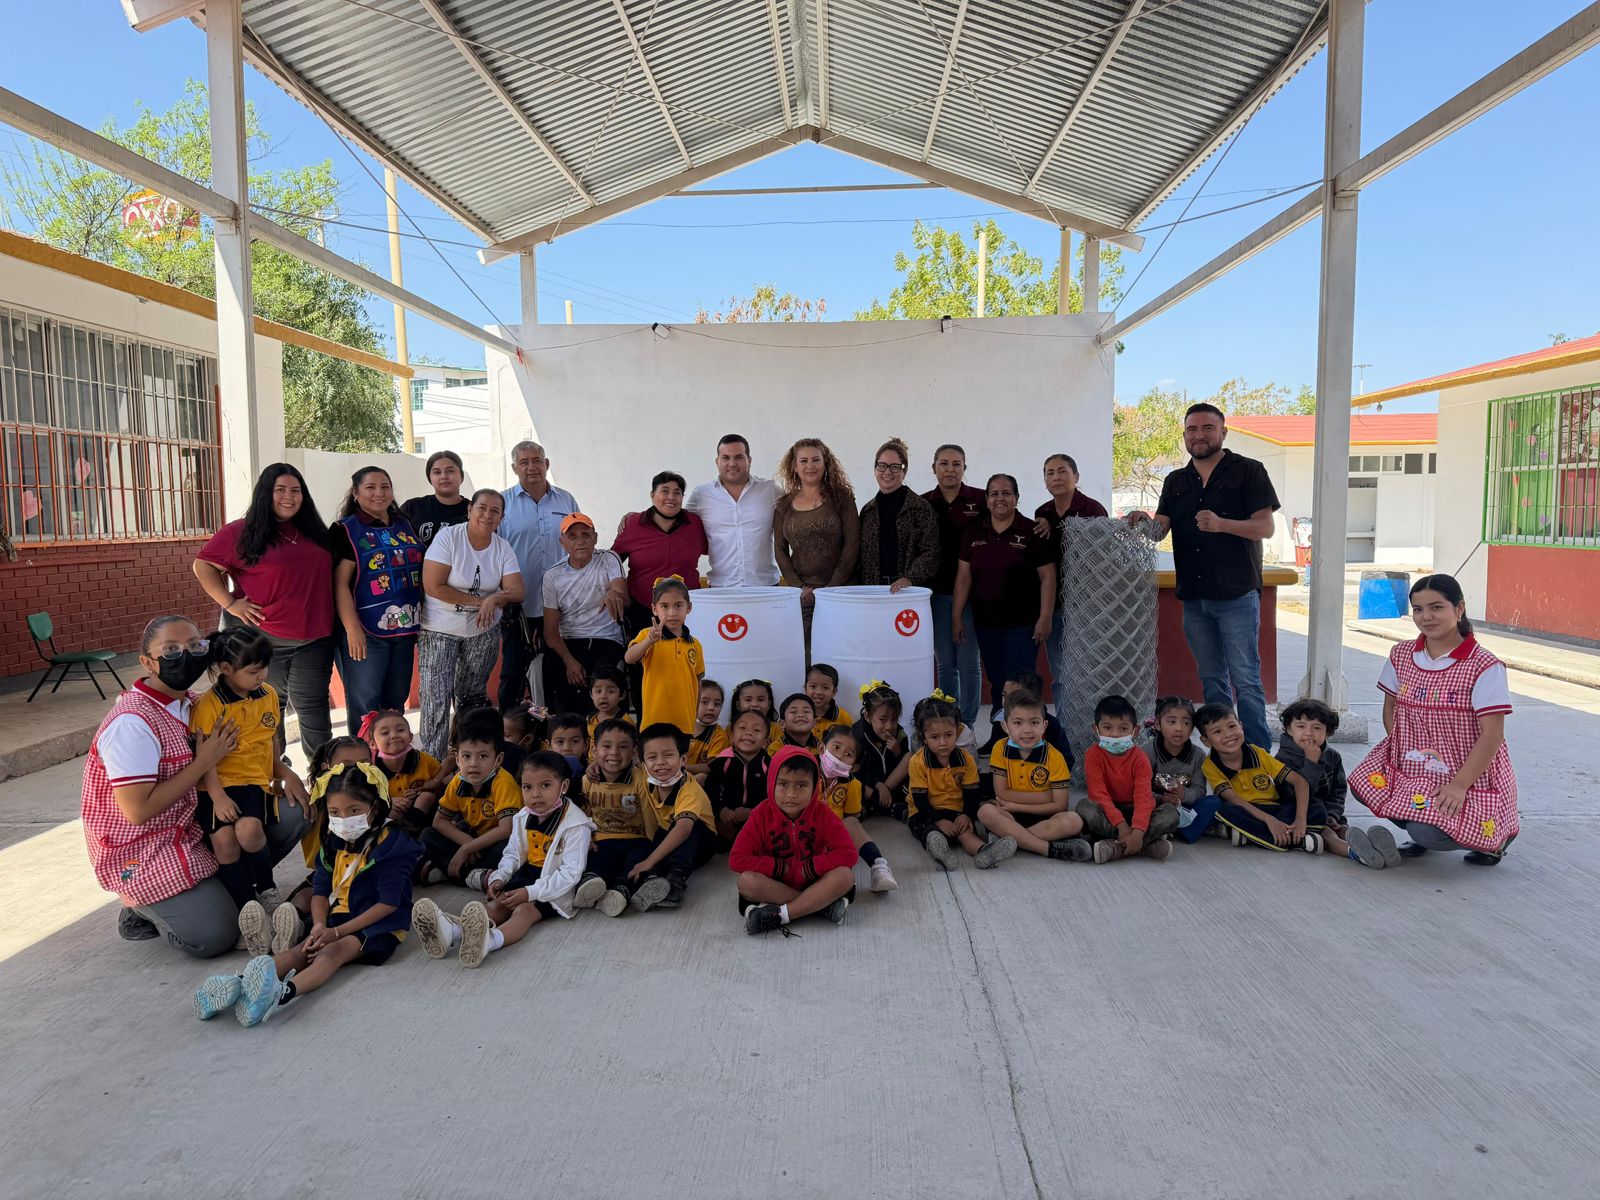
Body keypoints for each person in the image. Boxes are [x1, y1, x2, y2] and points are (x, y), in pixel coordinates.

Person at [83, 615, 309, 958]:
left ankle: (236, 890)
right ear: (147, 662)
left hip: (192, 825)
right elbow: (138, 811)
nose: (185, 655)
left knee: (291, 812)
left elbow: (257, 739)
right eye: (170, 650)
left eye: (195, 646)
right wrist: (205, 761)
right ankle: (142, 907)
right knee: (214, 935)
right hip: (146, 849)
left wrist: (283, 771)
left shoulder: (193, 702)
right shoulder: (132, 723)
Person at [195, 762, 420, 1026]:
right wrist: (320, 925)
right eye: (335, 812)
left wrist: (335, 933)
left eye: (355, 810)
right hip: (338, 918)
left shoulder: (393, 845)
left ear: (377, 807)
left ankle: (278, 995)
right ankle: (237, 984)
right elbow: (321, 891)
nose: (344, 820)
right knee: (302, 950)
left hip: (378, 925)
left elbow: (388, 904)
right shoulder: (333, 841)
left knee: (331, 953)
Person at [1125, 403, 1280, 750]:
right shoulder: (1176, 480)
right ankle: (1221, 748)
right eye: (1192, 429)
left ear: (1223, 433)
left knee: (1246, 679)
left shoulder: (1249, 471)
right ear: (1184, 436)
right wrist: (1142, 520)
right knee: (1211, 679)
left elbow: (1265, 527)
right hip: (1194, 597)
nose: (1199, 435)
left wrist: (1222, 524)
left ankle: (1257, 751)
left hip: (1237, 595)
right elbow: (1158, 531)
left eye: (1207, 428)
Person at [1351, 573, 1519, 865]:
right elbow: (1391, 707)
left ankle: (1494, 838)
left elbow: (1492, 736)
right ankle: (1423, 827)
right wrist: (1401, 754)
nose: (1426, 617)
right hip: (1417, 764)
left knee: (1429, 832)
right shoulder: (1401, 654)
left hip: (1466, 771)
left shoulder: (1484, 666)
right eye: (1418, 609)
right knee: (1366, 786)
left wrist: (1458, 786)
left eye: (1436, 607)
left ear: (1459, 609)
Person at [193, 462, 336, 754]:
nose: (289, 497)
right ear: (264, 494)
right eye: (280, 490)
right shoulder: (241, 532)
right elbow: (203, 565)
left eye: (296, 491)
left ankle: (323, 779)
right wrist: (230, 603)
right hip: (264, 640)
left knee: (314, 709)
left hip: (315, 638)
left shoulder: (313, 531)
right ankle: (276, 778)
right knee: (270, 709)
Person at [412, 752, 596, 967]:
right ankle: (452, 933)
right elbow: (513, 854)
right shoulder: (524, 816)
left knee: (523, 911)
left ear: (563, 786)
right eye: (527, 787)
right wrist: (499, 877)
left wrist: (530, 893)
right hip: (527, 875)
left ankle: (489, 941)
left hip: (555, 885)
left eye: (545, 786)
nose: (535, 794)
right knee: (498, 905)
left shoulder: (575, 825)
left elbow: (570, 873)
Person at [190, 628, 309, 913]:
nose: (262, 676)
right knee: (224, 842)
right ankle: (244, 904)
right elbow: (203, 757)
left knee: (250, 830)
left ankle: (266, 890)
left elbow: (271, 736)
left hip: (251, 783)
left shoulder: (267, 695)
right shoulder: (208, 705)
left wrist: (281, 769)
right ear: (226, 669)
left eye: (265, 668)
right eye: (254, 671)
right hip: (214, 785)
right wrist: (217, 796)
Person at [418, 488, 523, 759]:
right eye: (482, 508)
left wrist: (495, 598)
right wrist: (483, 601)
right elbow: (433, 585)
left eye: (495, 511)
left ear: (501, 518)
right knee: (435, 699)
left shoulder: (502, 547)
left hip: (482, 631)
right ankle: (433, 762)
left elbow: (517, 590)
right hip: (440, 629)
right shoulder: (449, 538)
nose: (487, 515)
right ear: (469, 510)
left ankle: (468, 759)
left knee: (472, 698)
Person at [331, 466, 424, 734]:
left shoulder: (405, 524)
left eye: (385, 486)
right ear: (356, 493)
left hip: (404, 629)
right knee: (365, 707)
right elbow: (340, 584)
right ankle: (363, 766)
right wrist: (352, 630)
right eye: (370, 487)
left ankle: (391, 762)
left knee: (395, 703)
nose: (379, 493)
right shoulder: (346, 530)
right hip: (365, 632)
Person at [732, 746, 858, 935]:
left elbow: (848, 853)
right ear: (772, 783)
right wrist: (778, 867)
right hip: (775, 882)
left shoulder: (822, 813)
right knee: (746, 882)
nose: (791, 794)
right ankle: (819, 907)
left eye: (801, 786)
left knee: (845, 876)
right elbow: (738, 858)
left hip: (814, 879)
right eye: (783, 784)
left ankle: (781, 915)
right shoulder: (761, 814)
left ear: (815, 786)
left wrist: (811, 867)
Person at [954, 474, 1056, 700]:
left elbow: (1048, 577)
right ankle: (1000, 729)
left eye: (1007, 493)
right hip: (986, 624)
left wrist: (1045, 617)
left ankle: (1023, 732)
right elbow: (963, 578)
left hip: (1023, 626)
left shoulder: (1033, 531)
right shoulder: (974, 532)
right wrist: (956, 617)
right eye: (994, 494)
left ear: (1017, 498)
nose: (1000, 498)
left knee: (1021, 683)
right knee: (997, 681)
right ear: (987, 500)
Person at [498, 440, 580, 709]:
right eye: (524, 462)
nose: (531, 467)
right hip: (520, 605)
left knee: (556, 668)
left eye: (536, 461)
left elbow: (579, 540)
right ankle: (510, 730)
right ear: (514, 468)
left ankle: (556, 730)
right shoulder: (502, 503)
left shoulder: (565, 499)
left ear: (546, 464)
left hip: (562, 603)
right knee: (513, 670)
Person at [1031, 453, 1109, 722]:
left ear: (1076, 477)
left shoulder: (1093, 510)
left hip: (1087, 606)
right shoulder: (1042, 513)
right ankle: (1066, 727)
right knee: (1061, 674)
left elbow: (1101, 558)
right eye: (1050, 472)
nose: (1056, 477)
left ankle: (1091, 727)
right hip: (1054, 605)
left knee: (1089, 671)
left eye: (1062, 471)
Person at [907, 695, 1017, 870]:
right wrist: (939, 821)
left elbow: (972, 793)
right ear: (923, 737)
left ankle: (984, 853)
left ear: (957, 731)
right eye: (935, 737)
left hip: (957, 810)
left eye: (949, 735)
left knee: (965, 831)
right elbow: (920, 800)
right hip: (925, 812)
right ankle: (941, 854)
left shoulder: (965, 759)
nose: (943, 742)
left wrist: (966, 814)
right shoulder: (918, 762)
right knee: (931, 832)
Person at [975, 690, 1087, 861]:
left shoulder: (1055, 757)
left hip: (1043, 817)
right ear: (1005, 726)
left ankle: (1008, 841)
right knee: (985, 812)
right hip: (1009, 815)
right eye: (1018, 723)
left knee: (1073, 820)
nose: (1027, 730)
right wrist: (1046, 796)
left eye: (1034, 722)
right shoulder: (999, 748)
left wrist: (1018, 805)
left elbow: (1060, 806)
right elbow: (1001, 794)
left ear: (1044, 725)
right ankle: (1046, 848)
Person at [415, 707, 519, 887]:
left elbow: (506, 829)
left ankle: (452, 871)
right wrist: (466, 842)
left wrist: (467, 848)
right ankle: (473, 876)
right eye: (466, 756)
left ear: (499, 759)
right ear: (457, 759)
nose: (473, 764)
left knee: (509, 850)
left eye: (483, 756)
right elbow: (439, 821)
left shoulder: (503, 782)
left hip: (496, 841)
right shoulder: (458, 781)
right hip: (473, 839)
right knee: (427, 835)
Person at [1196, 703, 1321, 853]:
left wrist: (1301, 820)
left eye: (1232, 726)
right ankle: (1297, 840)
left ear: (1241, 726)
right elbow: (1235, 800)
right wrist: (1270, 821)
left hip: (1275, 808)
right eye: (1217, 731)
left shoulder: (1257, 753)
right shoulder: (1210, 765)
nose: (1228, 734)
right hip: (1245, 810)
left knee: (1317, 808)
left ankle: (1251, 835)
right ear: (1206, 741)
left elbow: (1300, 782)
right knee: (1221, 809)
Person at [922, 444, 986, 727]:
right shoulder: (922, 503)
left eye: (956, 464)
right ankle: (950, 721)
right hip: (935, 595)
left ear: (964, 468)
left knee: (969, 663)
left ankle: (969, 723)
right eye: (944, 463)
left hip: (972, 595)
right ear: (933, 468)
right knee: (945, 664)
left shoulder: (981, 501)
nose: (950, 469)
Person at [773, 438, 860, 643]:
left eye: (815, 460)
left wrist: (831, 589)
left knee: (841, 649)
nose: (810, 466)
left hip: (841, 593)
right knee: (806, 655)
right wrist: (799, 587)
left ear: (825, 463)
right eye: (803, 461)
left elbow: (852, 545)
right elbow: (780, 550)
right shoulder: (783, 506)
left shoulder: (842, 498)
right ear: (794, 467)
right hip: (803, 597)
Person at [1076, 694, 1180, 864]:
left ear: (1135, 731)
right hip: (1109, 811)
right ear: (1096, 729)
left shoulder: (1140, 758)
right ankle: (1146, 846)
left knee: (1170, 813)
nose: (1115, 734)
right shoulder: (1093, 755)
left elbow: (1143, 797)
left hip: (1136, 810)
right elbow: (1098, 794)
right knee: (1084, 807)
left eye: (1123, 729)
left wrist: (1138, 831)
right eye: (1107, 727)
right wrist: (1121, 827)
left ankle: (1119, 847)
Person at [543, 513, 628, 715]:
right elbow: (550, 632)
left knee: (604, 678)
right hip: (569, 642)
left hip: (607, 639)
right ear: (562, 542)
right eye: (572, 536)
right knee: (546, 668)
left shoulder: (608, 559)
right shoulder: (552, 576)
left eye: (586, 535)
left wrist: (614, 593)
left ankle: (609, 728)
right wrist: (569, 660)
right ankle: (551, 724)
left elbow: (624, 598)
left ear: (595, 538)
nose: (580, 541)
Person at [630, 723, 719, 910]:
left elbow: (683, 829)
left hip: (700, 842)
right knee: (645, 844)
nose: (660, 762)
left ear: (683, 759)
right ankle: (650, 882)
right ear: (643, 763)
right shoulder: (644, 778)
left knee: (691, 828)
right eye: (652, 757)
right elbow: (618, 764)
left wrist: (650, 861)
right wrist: (594, 766)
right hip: (668, 833)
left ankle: (675, 882)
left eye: (668, 755)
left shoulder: (689, 788)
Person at [574, 718, 655, 916]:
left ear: (634, 752)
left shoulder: (640, 779)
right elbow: (583, 815)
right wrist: (585, 840)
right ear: (594, 750)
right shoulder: (587, 780)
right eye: (606, 746)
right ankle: (592, 883)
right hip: (603, 840)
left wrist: (653, 845)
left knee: (635, 863)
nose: (614, 753)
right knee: (598, 861)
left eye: (623, 747)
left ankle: (620, 891)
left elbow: (649, 815)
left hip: (636, 839)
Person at [613, 471, 709, 635]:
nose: (671, 497)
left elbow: (717, 549)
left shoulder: (695, 524)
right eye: (664, 491)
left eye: (677, 492)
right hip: (643, 611)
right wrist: (615, 591)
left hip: (686, 611)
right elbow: (612, 562)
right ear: (652, 495)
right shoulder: (633, 524)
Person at [686, 434, 780, 586]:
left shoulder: (770, 490)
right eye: (726, 458)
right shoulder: (701, 494)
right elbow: (676, 521)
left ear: (749, 460)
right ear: (717, 461)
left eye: (738, 457)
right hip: (721, 588)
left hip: (765, 587)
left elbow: (799, 511)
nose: (732, 463)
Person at [819, 724, 897, 891]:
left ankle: (879, 868)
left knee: (851, 823)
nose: (839, 755)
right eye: (835, 747)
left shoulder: (852, 785)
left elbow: (851, 816)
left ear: (854, 766)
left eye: (848, 754)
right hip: (804, 833)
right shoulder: (807, 773)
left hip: (833, 837)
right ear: (821, 748)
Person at [624, 576, 704, 733]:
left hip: (685, 723)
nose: (672, 613)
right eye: (665, 606)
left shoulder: (695, 644)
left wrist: (694, 715)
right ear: (654, 609)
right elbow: (629, 657)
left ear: (689, 607)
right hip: (654, 720)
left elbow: (698, 681)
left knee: (680, 757)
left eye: (678, 605)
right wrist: (649, 641)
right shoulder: (648, 635)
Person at [858, 437, 939, 590]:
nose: (887, 472)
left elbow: (931, 551)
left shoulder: (920, 509)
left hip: (907, 592)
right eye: (882, 466)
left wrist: (909, 579)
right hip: (872, 592)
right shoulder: (867, 511)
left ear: (904, 471)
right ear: (875, 470)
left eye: (895, 467)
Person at [1145, 697, 1220, 844]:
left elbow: (1199, 789)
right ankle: (1172, 828)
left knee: (1212, 802)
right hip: (1157, 805)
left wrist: (1184, 794)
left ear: (1192, 728)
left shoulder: (1198, 755)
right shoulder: (1147, 753)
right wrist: (1162, 799)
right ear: (1157, 724)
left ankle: (1177, 832)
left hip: (1184, 805)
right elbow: (1141, 790)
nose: (1179, 728)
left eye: (1186, 723)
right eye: (1171, 722)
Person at [362, 708, 441, 835]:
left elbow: (442, 779)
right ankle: (394, 839)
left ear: (410, 736)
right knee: (392, 811)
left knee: (427, 797)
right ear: (372, 744)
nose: (394, 735)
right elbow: (365, 798)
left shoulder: (423, 759)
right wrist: (389, 801)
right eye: (385, 733)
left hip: (423, 815)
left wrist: (422, 790)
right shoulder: (371, 770)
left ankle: (414, 833)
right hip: (391, 814)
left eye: (400, 730)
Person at [980, 671, 1074, 767]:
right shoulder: (1001, 720)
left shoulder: (1050, 724)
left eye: (1013, 696)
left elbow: (1066, 760)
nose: (1006, 701)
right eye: (1004, 695)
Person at [705, 709, 770, 845]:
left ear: (765, 742)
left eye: (757, 730)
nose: (748, 733)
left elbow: (771, 796)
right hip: (727, 816)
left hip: (757, 817)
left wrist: (752, 812)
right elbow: (711, 789)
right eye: (742, 728)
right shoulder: (722, 761)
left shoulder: (769, 764)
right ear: (731, 737)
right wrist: (721, 810)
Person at [854, 682, 909, 819]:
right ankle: (889, 807)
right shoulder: (857, 735)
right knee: (853, 784)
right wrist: (877, 785)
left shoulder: (900, 734)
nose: (889, 726)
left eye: (894, 719)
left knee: (909, 757)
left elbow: (902, 767)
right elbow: (856, 768)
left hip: (891, 785)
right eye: (882, 720)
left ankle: (875, 806)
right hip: (869, 786)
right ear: (867, 716)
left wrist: (897, 752)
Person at [401, 450, 471, 548]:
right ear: (430, 478)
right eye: (437, 472)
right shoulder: (412, 508)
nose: (444, 476)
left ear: (461, 476)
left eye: (450, 471)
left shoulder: (474, 511)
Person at [686, 680, 730, 778]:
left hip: (700, 784)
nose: (711, 708)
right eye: (705, 702)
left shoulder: (719, 736)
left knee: (702, 776)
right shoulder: (681, 728)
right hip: (673, 775)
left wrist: (682, 767)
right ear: (692, 701)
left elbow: (712, 767)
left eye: (717, 704)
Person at [585, 665, 632, 748]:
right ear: (591, 694)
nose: (603, 696)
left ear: (622, 695)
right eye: (598, 691)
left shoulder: (625, 721)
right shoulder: (590, 718)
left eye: (611, 691)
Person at [805, 664, 854, 743]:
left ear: (834, 692)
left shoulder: (843, 718)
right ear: (805, 688)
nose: (818, 692)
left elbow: (851, 744)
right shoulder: (799, 715)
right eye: (813, 686)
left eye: (825, 688)